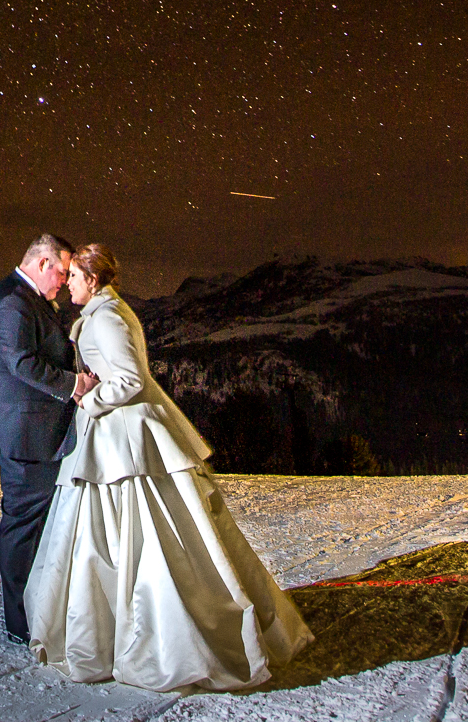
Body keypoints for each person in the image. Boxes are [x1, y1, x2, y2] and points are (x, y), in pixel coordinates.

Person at [25, 243, 312, 691]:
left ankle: (167, 637)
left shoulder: (108, 317)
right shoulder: (104, 313)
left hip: (125, 439)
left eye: (75, 279)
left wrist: (89, 397)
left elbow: (132, 379)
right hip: (114, 438)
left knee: (140, 537)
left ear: (93, 280)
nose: (68, 287)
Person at [0, 232, 98, 644]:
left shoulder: (25, 299)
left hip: (35, 433)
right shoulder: (13, 302)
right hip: (24, 436)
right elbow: (20, 363)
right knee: (23, 526)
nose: (64, 283)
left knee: (36, 525)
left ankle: (36, 611)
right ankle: (21, 623)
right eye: (63, 273)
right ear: (44, 263)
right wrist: (74, 385)